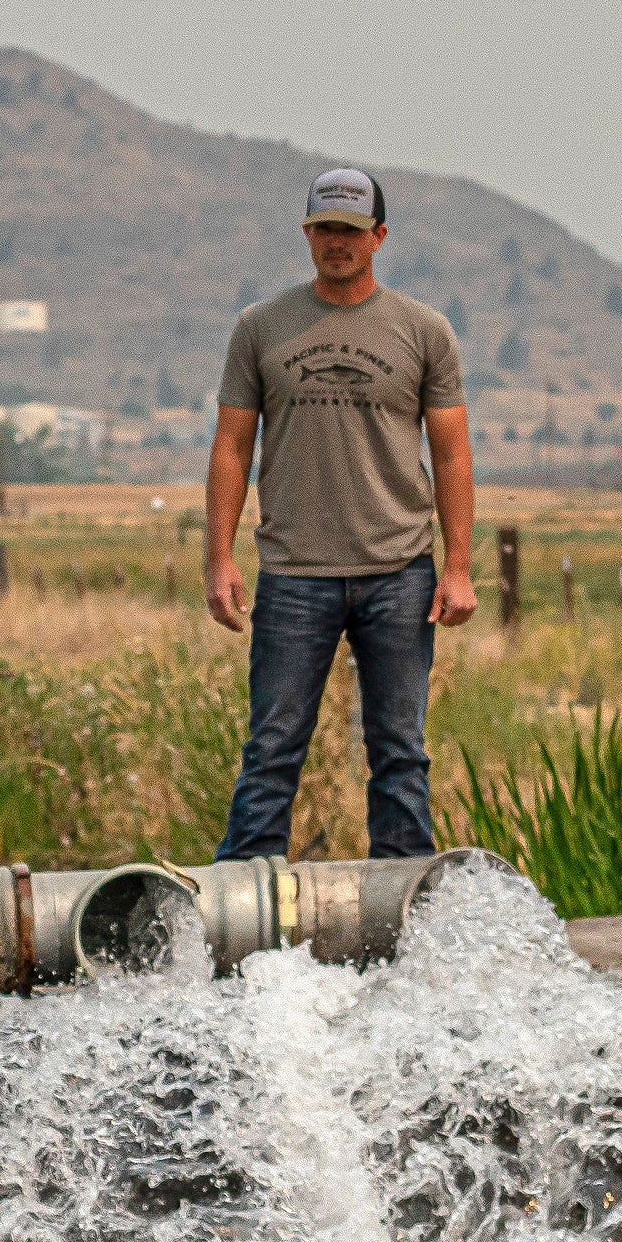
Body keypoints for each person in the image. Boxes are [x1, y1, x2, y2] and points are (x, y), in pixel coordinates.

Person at [203, 166, 476, 860]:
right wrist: (221, 558)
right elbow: (233, 446)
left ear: (378, 237)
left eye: (352, 230)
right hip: (296, 572)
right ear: (306, 233)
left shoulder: (423, 332)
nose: (338, 242)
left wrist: (460, 569)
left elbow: (450, 454)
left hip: (400, 573)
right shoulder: (261, 327)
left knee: (400, 754)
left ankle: (408, 910)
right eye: (325, 228)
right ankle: (242, 916)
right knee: (271, 750)